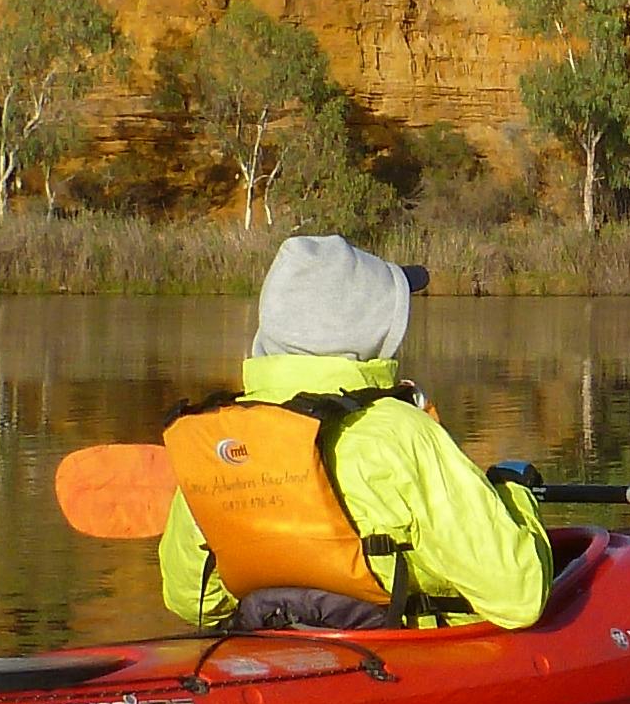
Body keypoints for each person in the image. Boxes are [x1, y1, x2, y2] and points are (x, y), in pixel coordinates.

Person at [158, 233, 555, 634]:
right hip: (407, 661)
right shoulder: (401, 434)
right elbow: (519, 598)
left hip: (270, 648)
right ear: (372, 326)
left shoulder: (215, 438)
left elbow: (190, 600)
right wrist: (513, 495)